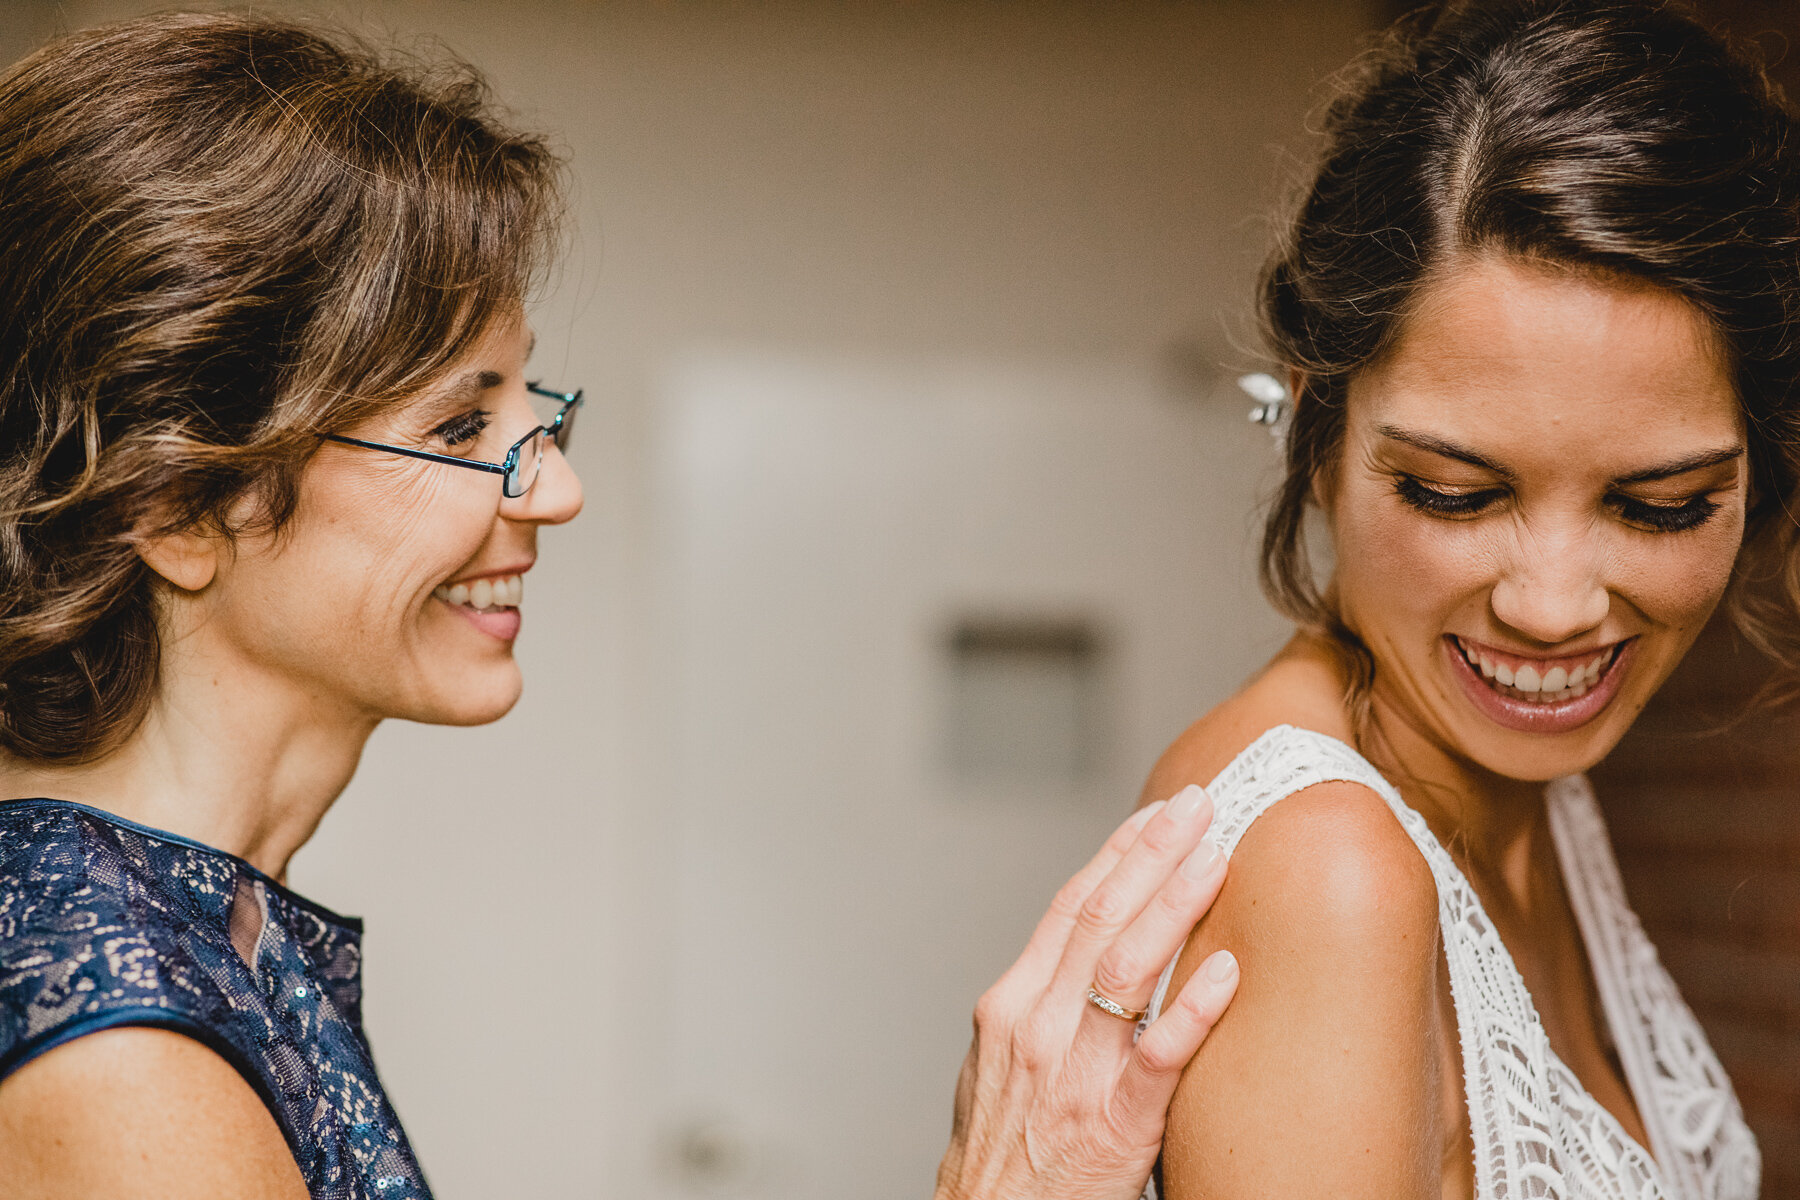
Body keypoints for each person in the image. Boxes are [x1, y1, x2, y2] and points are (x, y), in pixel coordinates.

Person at [0, 13, 1240, 1200]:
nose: (559, 490)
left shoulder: (203, 930)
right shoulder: (121, 1057)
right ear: (172, 507)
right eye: (459, 424)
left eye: (532, 411)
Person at [1137, 2, 1796, 1197]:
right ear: (1317, 432)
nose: (1551, 609)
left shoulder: (1518, 775)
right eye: (1454, 493)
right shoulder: (1325, 872)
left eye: (1660, 504)